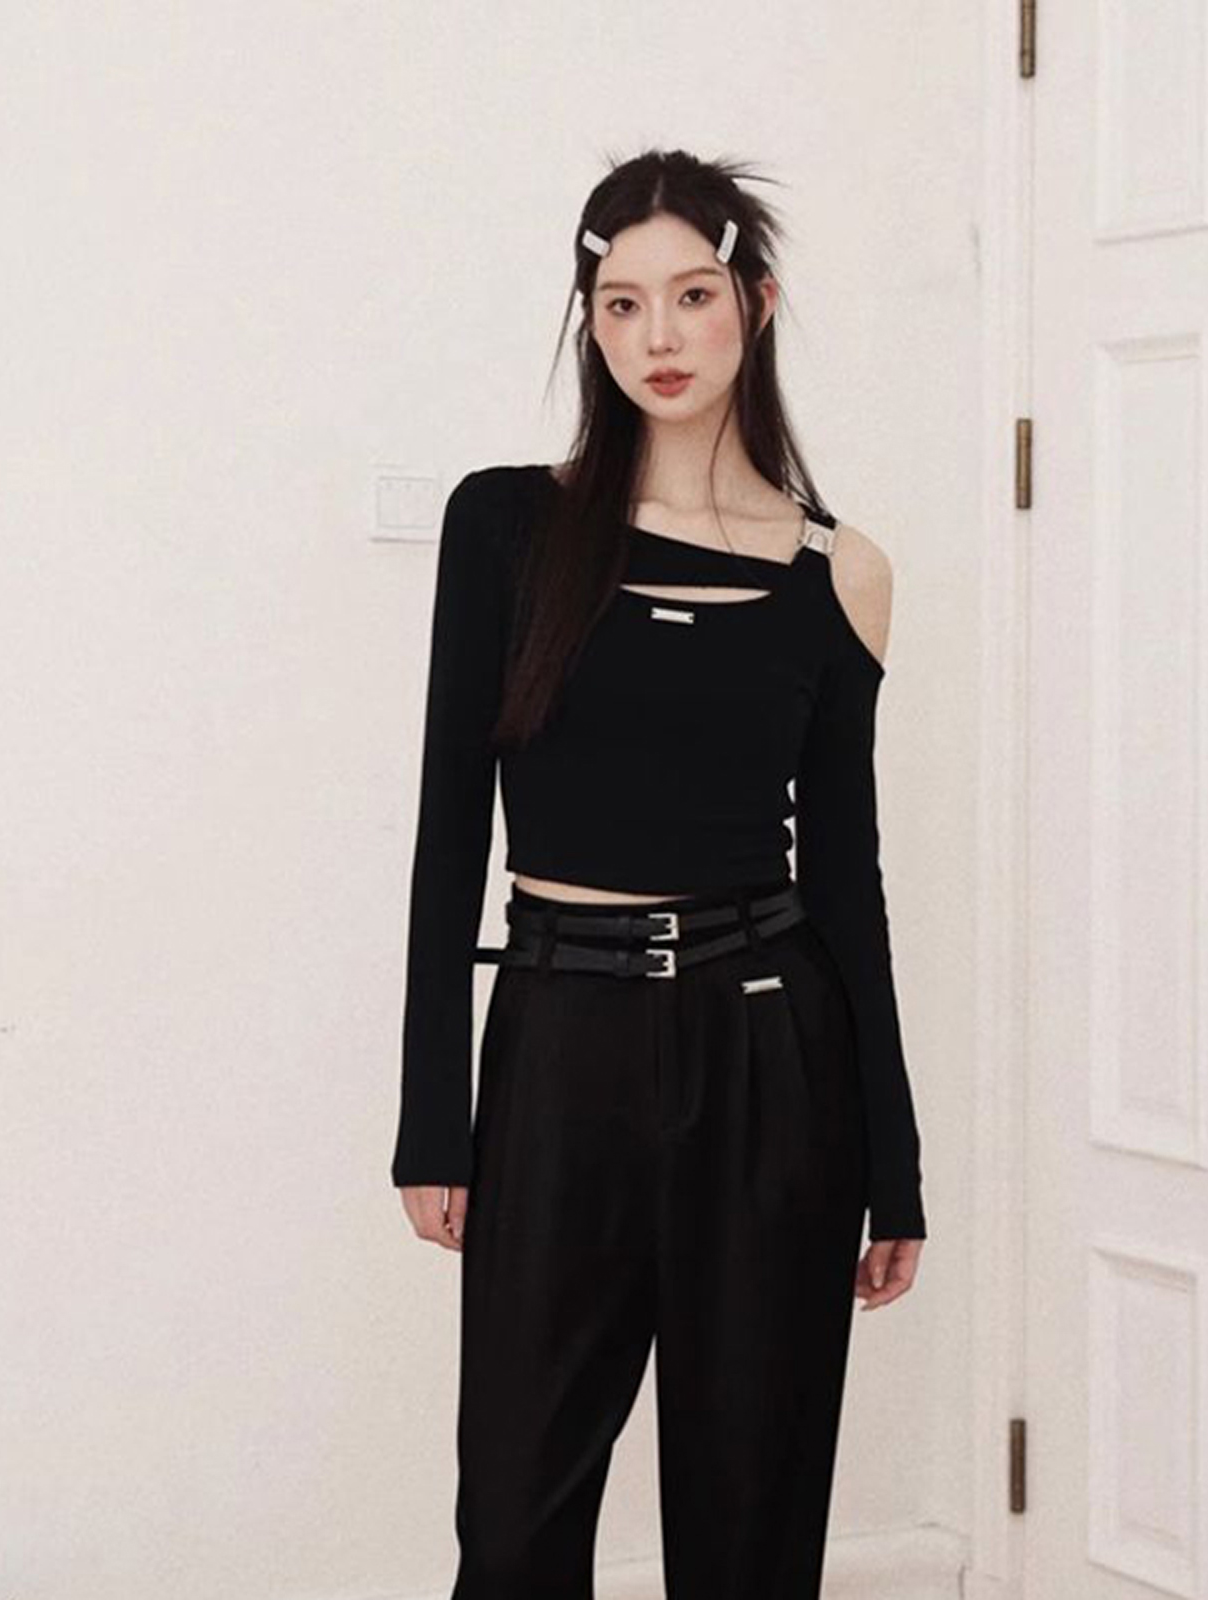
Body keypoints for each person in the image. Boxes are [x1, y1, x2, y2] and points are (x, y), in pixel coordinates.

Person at [392, 148, 927, 1598]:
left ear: (756, 303)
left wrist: (894, 1164)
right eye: (621, 304)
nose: (659, 337)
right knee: (516, 1526)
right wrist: (434, 1120)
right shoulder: (507, 527)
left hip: (771, 1054)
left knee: (752, 1529)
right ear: (592, 323)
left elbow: (850, 880)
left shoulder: (841, 573)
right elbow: (449, 834)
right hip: (560, 1041)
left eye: (691, 296)